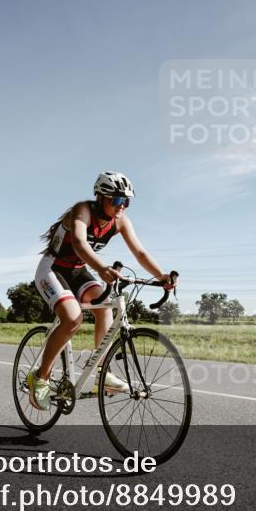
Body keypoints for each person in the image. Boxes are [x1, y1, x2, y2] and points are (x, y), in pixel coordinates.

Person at [27, 171, 176, 411]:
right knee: (73, 318)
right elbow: (78, 242)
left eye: (126, 201)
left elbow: (139, 253)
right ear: (100, 197)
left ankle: (102, 372)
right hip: (52, 269)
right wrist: (102, 268)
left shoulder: (120, 221)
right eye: (116, 200)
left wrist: (162, 277)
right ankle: (41, 378)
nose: (121, 206)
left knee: (105, 310)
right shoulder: (82, 210)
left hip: (78, 271)